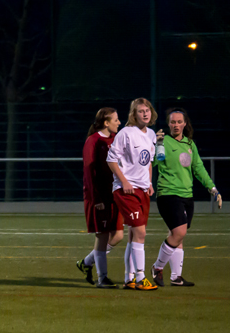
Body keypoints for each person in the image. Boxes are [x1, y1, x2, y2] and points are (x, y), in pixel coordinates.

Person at [150, 108, 222, 287]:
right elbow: (152, 163)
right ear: (168, 124)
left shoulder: (190, 144)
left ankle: (176, 277)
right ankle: (157, 267)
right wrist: (156, 144)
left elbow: (198, 168)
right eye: (172, 122)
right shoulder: (163, 141)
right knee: (180, 232)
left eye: (179, 122)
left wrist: (213, 189)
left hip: (186, 195)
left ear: (184, 124)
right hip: (168, 193)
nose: (175, 125)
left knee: (177, 235)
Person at [106, 98, 158, 291]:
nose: (145, 114)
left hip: (143, 189)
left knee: (133, 235)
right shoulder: (126, 133)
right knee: (140, 232)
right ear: (133, 114)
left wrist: (149, 182)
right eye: (140, 111)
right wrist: (125, 181)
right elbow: (111, 160)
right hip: (126, 189)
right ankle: (141, 277)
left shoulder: (151, 134)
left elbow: (149, 161)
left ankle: (129, 279)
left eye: (147, 110)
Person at [76, 108, 124, 288]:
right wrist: (96, 199)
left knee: (118, 235)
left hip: (114, 195)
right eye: (116, 119)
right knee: (102, 236)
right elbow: (89, 171)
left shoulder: (116, 140)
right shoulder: (93, 141)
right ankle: (102, 278)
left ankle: (86, 262)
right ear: (106, 122)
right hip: (100, 197)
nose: (119, 123)